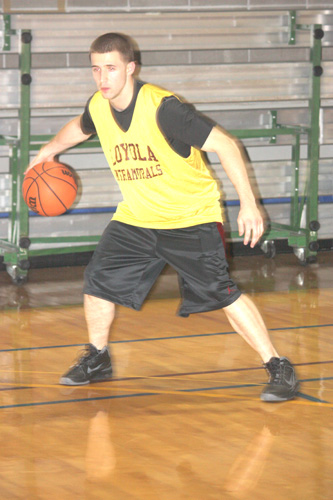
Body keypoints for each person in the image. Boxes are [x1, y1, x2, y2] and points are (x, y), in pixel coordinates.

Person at [27, 33, 299, 402]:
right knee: (97, 281)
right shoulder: (98, 105)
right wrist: (49, 150)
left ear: (131, 68)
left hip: (190, 217)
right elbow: (80, 126)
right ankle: (98, 356)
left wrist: (249, 204)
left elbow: (226, 144)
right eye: (96, 69)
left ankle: (277, 365)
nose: (103, 78)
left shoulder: (163, 109)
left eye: (111, 68)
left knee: (221, 293)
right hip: (137, 218)